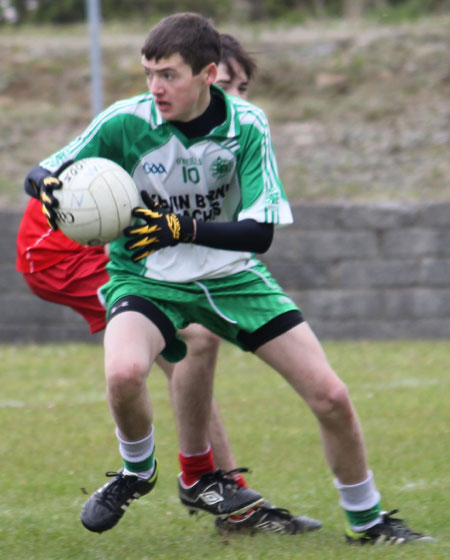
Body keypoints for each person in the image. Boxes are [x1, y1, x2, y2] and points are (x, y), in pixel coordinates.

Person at [23, 13, 433, 544]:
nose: (155, 87)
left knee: (331, 395)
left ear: (206, 73)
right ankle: (138, 470)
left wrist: (182, 227)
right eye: (149, 72)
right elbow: (42, 172)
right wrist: (50, 188)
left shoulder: (247, 126)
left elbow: (259, 233)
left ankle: (370, 522)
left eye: (168, 74)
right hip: (146, 279)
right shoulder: (126, 120)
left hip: (234, 279)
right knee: (124, 374)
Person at [17, 30, 320, 535]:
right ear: (207, 75)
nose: (238, 98)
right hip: (66, 253)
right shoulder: (140, 119)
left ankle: (211, 485)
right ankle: (210, 487)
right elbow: (51, 173)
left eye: (243, 87)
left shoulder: (229, 124)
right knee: (191, 342)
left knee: (196, 343)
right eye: (231, 84)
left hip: (122, 243)